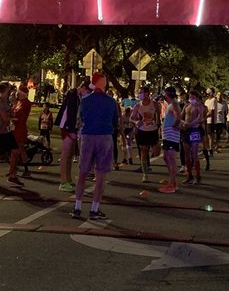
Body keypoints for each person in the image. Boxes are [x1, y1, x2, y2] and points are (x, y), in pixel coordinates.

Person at [71, 73, 119, 220]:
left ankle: (77, 207)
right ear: (103, 83)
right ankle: (94, 209)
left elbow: (81, 119)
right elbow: (114, 121)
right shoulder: (111, 102)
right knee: (100, 175)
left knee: (83, 173)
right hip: (104, 136)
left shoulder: (85, 101)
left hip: (87, 135)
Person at [55, 78, 89, 192]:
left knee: (69, 154)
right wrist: (71, 130)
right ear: (83, 88)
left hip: (71, 127)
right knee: (66, 154)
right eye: (87, 91)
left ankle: (68, 179)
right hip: (67, 127)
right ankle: (63, 181)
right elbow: (70, 113)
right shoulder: (73, 95)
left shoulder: (77, 96)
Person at [130, 87, 160, 183]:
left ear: (147, 93)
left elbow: (158, 114)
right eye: (139, 93)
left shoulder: (154, 104)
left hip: (153, 130)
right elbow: (131, 118)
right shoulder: (137, 106)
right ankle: (145, 174)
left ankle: (148, 163)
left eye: (141, 93)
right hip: (142, 131)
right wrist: (136, 122)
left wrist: (158, 124)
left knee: (156, 152)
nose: (139, 95)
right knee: (143, 152)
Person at [158, 86, 182, 193]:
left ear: (167, 95)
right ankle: (172, 180)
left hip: (171, 135)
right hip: (167, 135)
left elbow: (178, 117)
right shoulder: (170, 105)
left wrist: (175, 125)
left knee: (171, 159)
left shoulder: (174, 105)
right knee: (166, 157)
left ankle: (171, 184)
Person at [7, 85, 32, 185]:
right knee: (16, 151)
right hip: (15, 128)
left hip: (19, 129)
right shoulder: (18, 102)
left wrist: (12, 117)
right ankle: (13, 171)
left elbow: (20, 116)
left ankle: (13, 173)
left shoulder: (25, 103)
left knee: (16, 151)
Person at [180, 89, 205, 184]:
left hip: (194, 130)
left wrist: (189, 124)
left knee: (194, 154)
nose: (191, 99)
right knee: (186, 155)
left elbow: (199, 119)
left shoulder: (199, 107)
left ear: (197, 98)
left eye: (193, 97)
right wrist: (182, 123)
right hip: (186, 130)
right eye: (190, 97)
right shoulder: (186, 106)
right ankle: (189, 175)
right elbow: (181, 116)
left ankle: (198, 176)